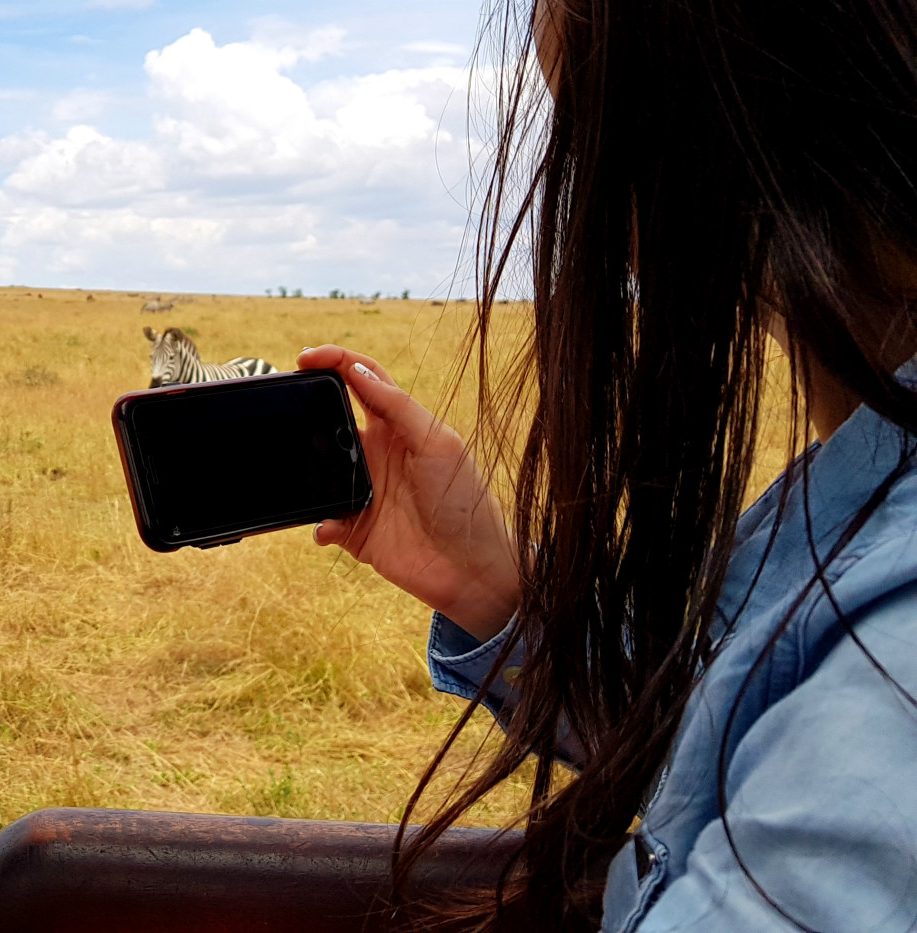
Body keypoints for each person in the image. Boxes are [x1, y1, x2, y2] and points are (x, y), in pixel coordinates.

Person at [298, 0, 917, 930]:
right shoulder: (861, 504)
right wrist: (501, 595)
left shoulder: (887, 678)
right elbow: (732, 733)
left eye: (595, 130)